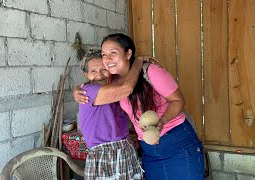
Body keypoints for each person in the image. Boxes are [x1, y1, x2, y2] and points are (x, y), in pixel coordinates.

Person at [74, 33, 205, 180]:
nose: (107, 59)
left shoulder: (150, 71)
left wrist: (162, 121)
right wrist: (77, 89)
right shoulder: (115, 82)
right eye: (104, 54)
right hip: (149, 150)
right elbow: (110, 86)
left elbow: (178, 100)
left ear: (128, 53)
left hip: (176, 144)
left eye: (113, 53)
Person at [78, 49, 153, 180]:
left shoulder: (115, 86)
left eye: (103, 69)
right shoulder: (86, 92)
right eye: (93, 71)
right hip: (103, 157)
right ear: (85, 74)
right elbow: (127, 89)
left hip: (125, 149)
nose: (99, 75)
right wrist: (138, 61)